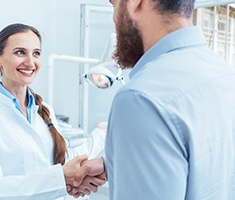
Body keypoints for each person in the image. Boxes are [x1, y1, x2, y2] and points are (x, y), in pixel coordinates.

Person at [72, 0, 235, 199]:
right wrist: (115, 163)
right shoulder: (225, 74)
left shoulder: (140, 99)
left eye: (114, 4)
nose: (114, 17)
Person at [0, 23, 106, 200]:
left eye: (36, 53)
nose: (30, 62)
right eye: (20, 52)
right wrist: (61, 178)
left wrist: (100, 135)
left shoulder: (45, 111)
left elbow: (61, 162)